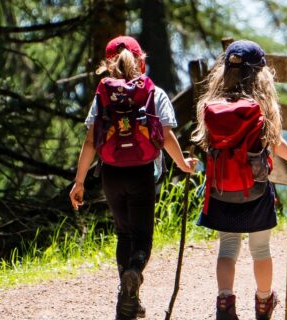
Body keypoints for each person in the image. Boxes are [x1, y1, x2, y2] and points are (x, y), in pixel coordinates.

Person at [69, 35, 197, 320]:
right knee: (143, 239)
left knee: (123, 233)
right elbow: (165, 136)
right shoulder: (153, 92)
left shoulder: (102, 96)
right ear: (141, 61)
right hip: (142, 173)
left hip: (111, 173)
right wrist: (184, 164)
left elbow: (91, 141)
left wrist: (79, 182)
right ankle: (134, 275)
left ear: (107, 65)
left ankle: (127, 298)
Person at [192, 40, 287, 320]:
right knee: (260, 248)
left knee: (228, 247)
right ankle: (264, 302)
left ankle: (224, 302)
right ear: (260, 74)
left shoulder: (211, 106)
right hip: (254, 191)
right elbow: (274, 142)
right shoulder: (261, 105)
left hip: (219, 191)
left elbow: (206, 145)